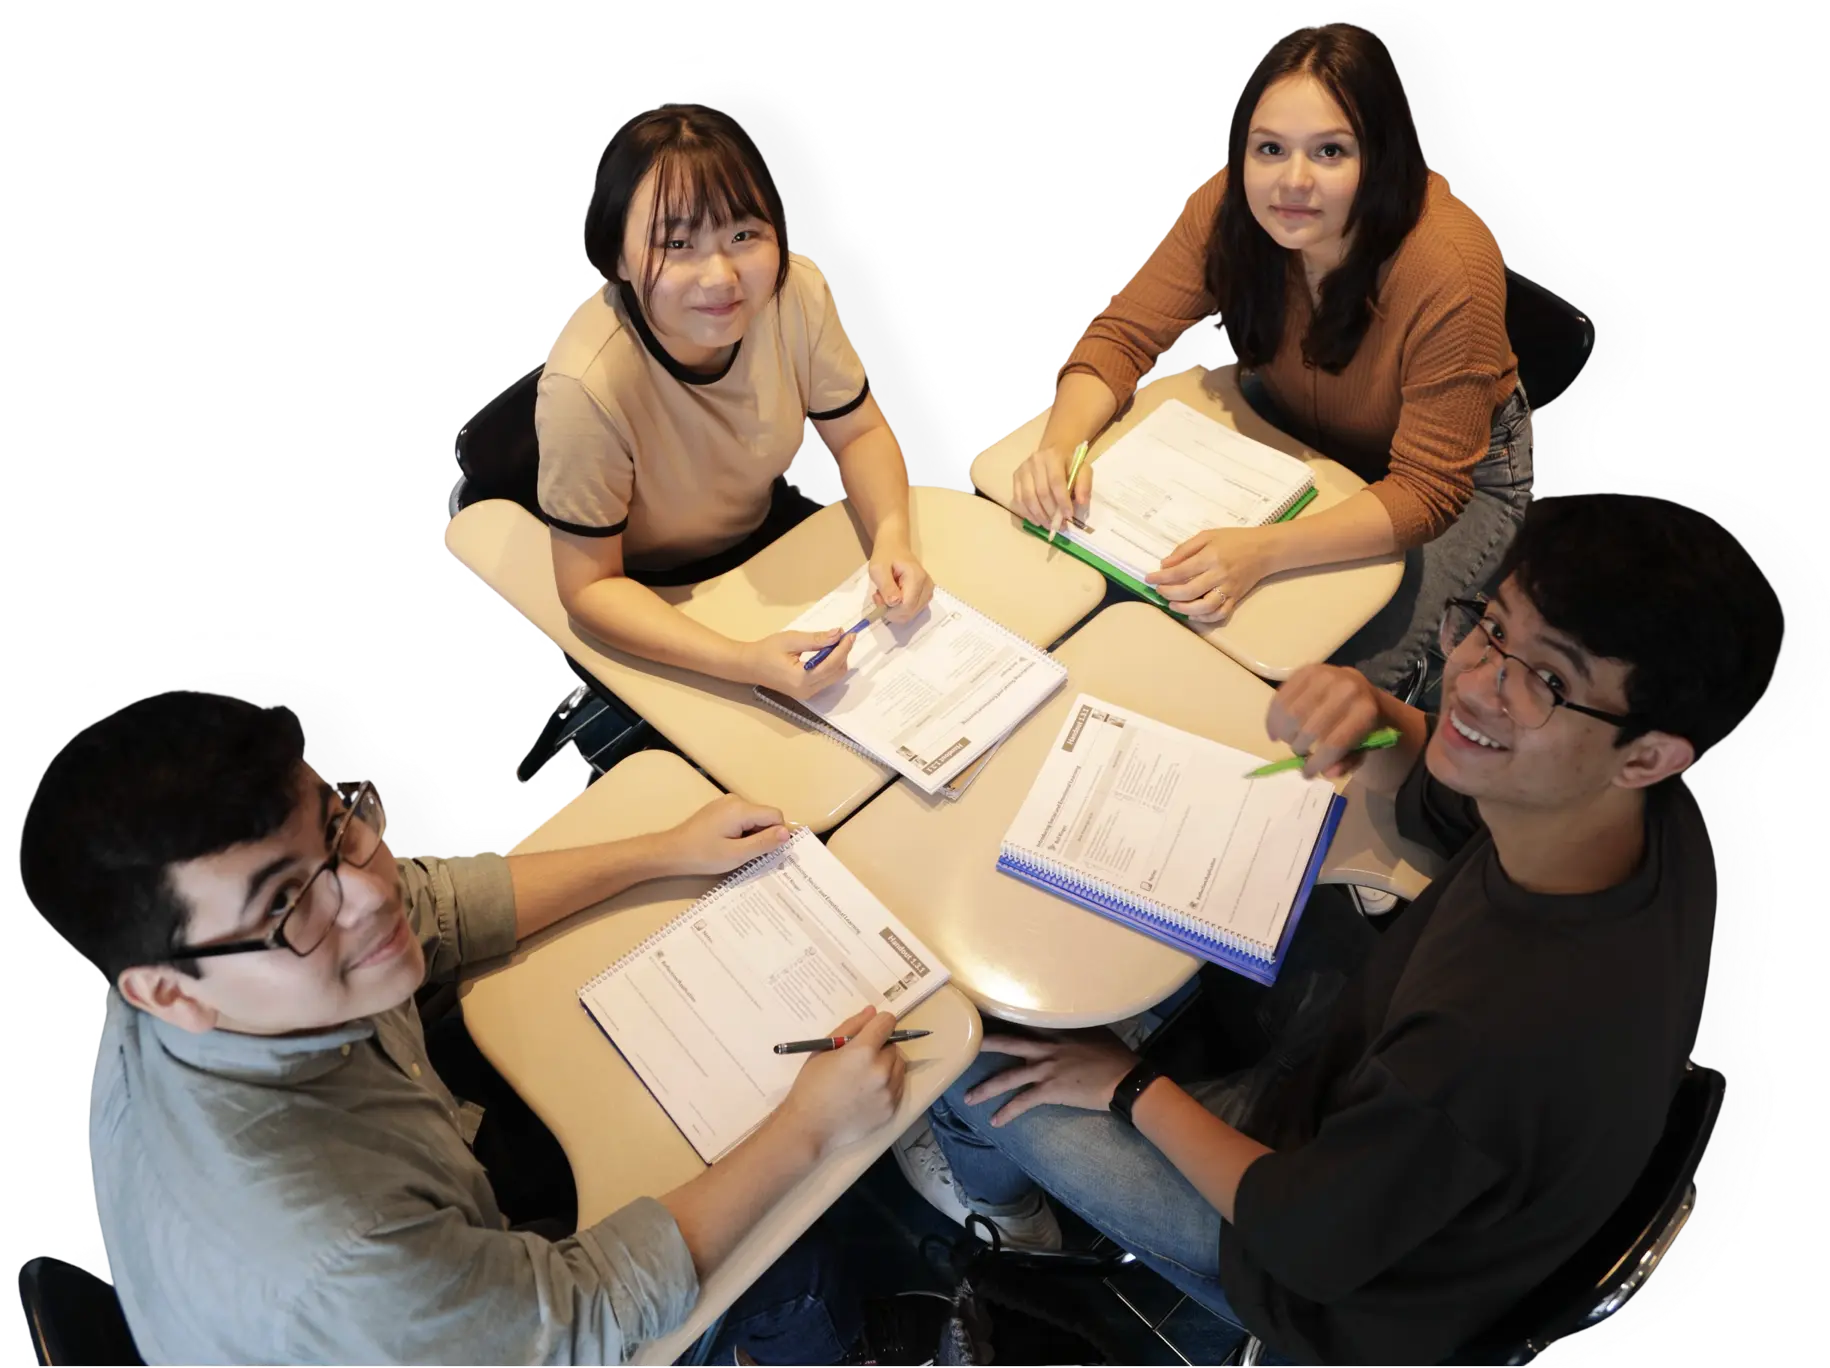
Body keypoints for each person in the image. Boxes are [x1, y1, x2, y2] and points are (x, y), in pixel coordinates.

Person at [904, 494, 1784, 1364]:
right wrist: (1371, 710)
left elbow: (1303, 1239)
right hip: (1374, 1125)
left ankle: (1012, 1225)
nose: (1477, 682)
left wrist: (1130, 1086)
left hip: (1320, 1275)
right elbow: (1450, 801)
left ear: (1649, 754)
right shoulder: (1645, 821)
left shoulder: (1496, 1043)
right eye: (1493, 629)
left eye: (1547, 682)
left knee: (960, 1044)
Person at [19, 690, 929, 1365]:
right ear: (166, 994)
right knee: (788, 1254)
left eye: (341, 828)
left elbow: (431, 904)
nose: (370, 893)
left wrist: (666, 851)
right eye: (292, 900)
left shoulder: (202, 969)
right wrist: (810, 1128)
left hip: (427, 1248)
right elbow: (590, 1314)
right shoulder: (338, 1248)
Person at [1010, 23, 1530, 693]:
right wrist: (1059, 447)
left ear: (1382, 155)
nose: (1293, 181)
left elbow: (1428, 491)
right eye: (1270, 149)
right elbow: (1123, 336)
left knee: (1332, 690)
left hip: (1458, 475)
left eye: (1331, 152)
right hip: (1293, 422)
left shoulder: (1452, 268)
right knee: (1121, 595)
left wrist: (1263, 552)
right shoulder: (1229, 207)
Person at [537, 103, 933, 703]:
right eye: (677, 243)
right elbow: (588, 587)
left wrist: (894, 537)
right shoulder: (585, 387)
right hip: (648, 590)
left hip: (760, 530)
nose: (721, 277)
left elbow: (858, 434)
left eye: (743, 234)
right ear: (615, 255)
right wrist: (743, 661)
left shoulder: (794, 293)